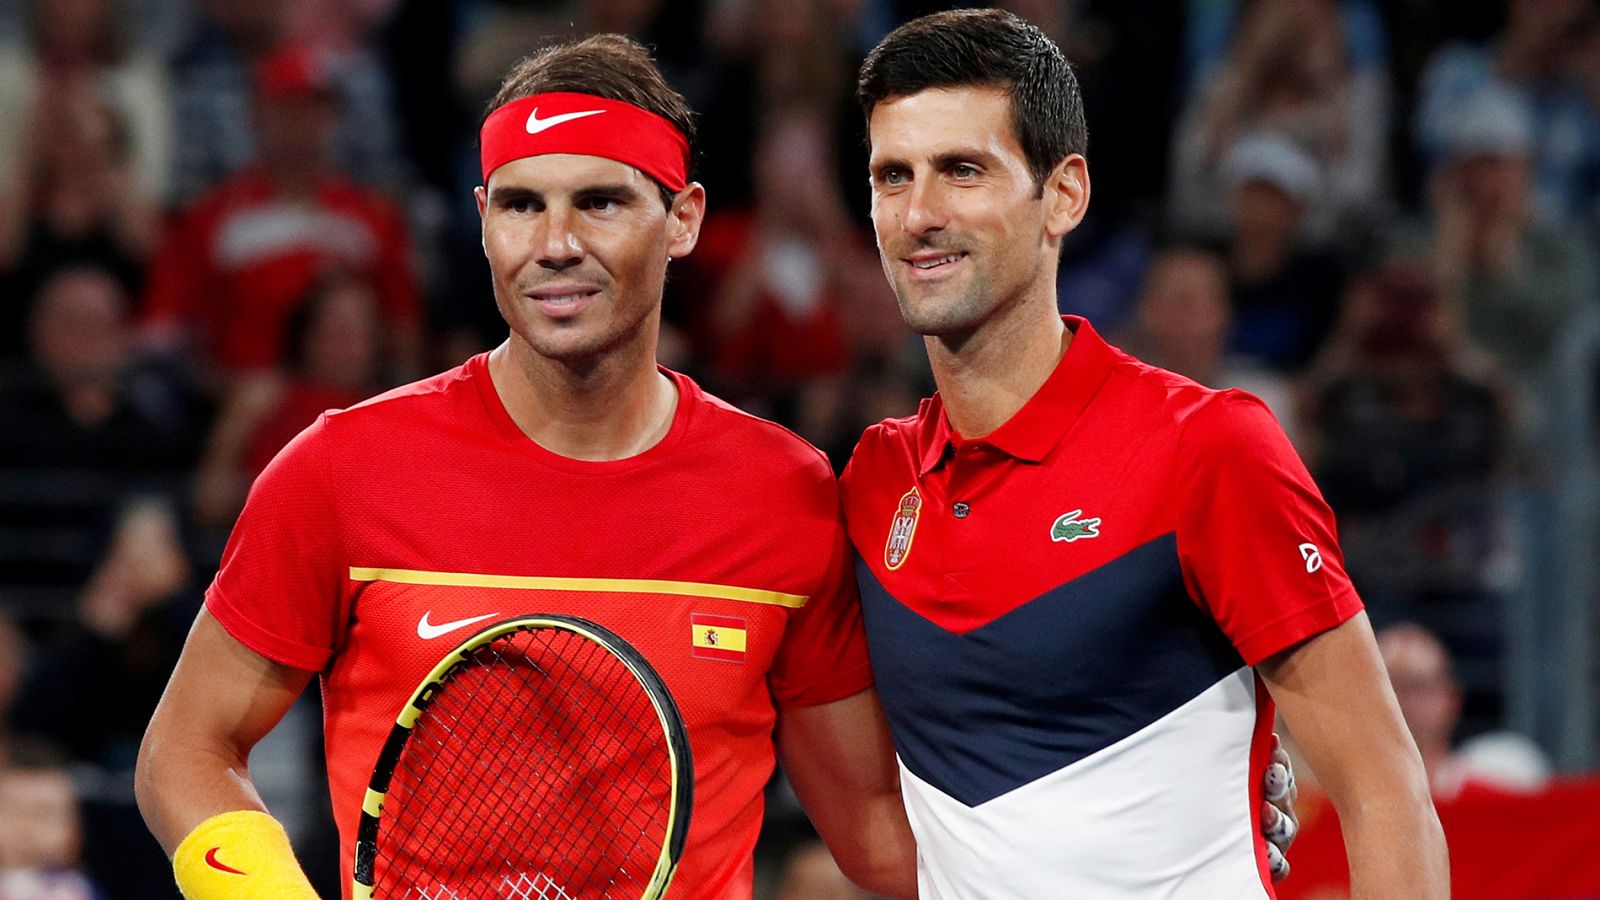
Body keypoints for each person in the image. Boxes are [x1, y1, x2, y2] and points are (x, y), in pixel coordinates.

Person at [135, 34, 916, 900]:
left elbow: (875, 832)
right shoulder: (340, 470)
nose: (554, 244)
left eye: (599, 202)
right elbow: (186, 748)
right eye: (519, 205)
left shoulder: (785, 493)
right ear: (482, 219)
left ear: (683, 219)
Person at [839, 9, 1447, 898]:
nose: (920, 213)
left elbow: (1383, 788)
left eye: (963, 170)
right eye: (893, 177)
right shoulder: (871, 482)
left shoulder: (1206, 448)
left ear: (1065, 196)